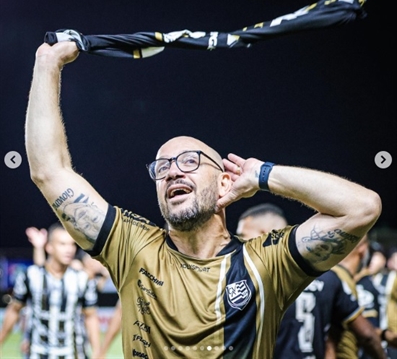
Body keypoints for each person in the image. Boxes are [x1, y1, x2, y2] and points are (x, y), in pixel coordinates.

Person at [24, 40, 382, 358]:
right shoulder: (132, 247)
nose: (173, 172)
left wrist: (263, 175)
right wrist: (47, 64)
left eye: (190, 161)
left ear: (225, 182)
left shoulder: (266, 262)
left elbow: (361, 208)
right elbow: (49, 172)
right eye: (162, 167)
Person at [238, 203, 386, 359]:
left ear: (263, 234)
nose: (241, 244)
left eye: (242, 236)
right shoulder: (330, 276)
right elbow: (365, 334)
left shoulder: (257, 280)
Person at [0, 222, 101, 359]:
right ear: (49, 247)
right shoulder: (30, 275)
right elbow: (14, 310)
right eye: (62, 244)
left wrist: (97, 352)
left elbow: (90, 316)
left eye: (72, 244)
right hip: (38, 352)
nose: (69, 249)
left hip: (73, 353)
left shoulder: (82, 279)